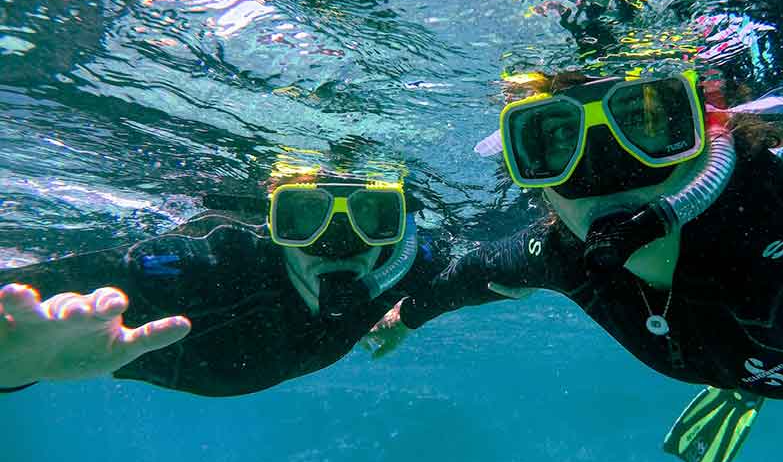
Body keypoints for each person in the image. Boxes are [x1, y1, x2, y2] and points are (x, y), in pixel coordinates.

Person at [369, 69, 783, 462]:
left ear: (714, 131)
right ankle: (743, 380)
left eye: (650, 120)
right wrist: (404, 317)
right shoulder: (561, 249)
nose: (603, 172)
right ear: (524, 170)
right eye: (554, 141)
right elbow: (470, 274)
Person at [0, 170, 447, 396]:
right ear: (274, 223)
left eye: (372, 216)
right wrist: (17, 367)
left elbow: (478, 272)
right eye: (305, 216)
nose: (340, 247)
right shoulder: (206, 266)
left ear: (397, 223)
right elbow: (22, 310)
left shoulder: (409, 260)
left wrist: (410, 315)